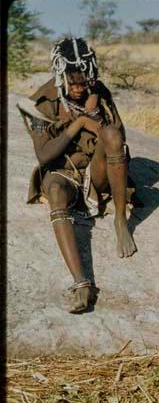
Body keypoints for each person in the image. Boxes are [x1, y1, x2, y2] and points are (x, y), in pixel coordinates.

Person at [17, 37, 138, 313]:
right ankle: (82, 284)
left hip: (97, 173)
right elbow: (44, 156)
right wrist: (79, 122)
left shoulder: (99, 93)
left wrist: (96, 114)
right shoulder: (40, 102)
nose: (80, 88)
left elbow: (117, 140)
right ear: (59, 77)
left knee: (110, 134)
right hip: (64, 173)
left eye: (85, 81)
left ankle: (120, 220)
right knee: (56, 191)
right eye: (73, 83)